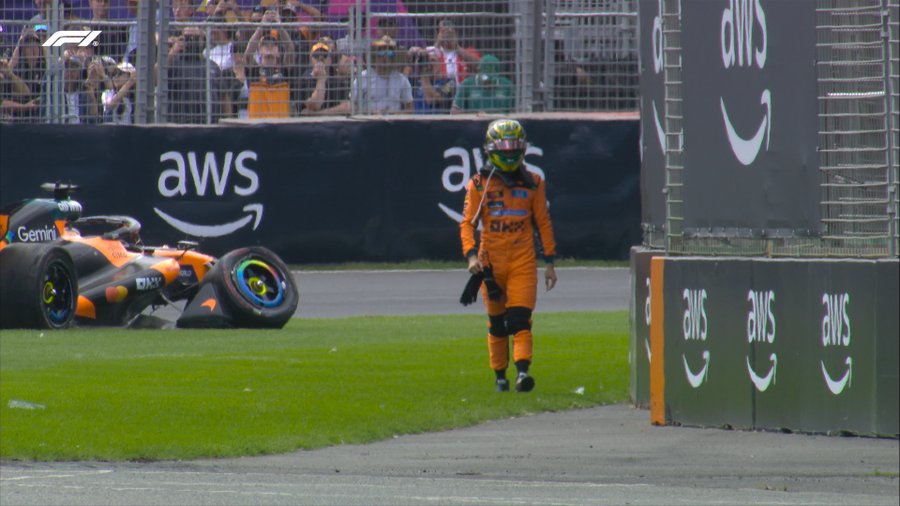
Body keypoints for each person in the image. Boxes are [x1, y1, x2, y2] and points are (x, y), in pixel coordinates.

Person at [459, 119, 557, 393]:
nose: (510, 153)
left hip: (522, 260)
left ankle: (522, 373)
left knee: (520, 320)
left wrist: (550, 262)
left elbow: (543, 222)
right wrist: (471, 257)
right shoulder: (478, 184)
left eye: (515, 147)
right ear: (491, 149)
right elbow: (467, 223)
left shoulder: (534, 182)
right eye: (505, 148)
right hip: (490, 263)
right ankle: (500, 375)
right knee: (497, 324)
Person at [346, 35, 412, 114]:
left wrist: (395, 114)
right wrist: (371, 113)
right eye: (381, 53)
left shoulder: (401, 79)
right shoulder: (363, 77)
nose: (385, 57)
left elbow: (410, 108)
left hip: (394, 120)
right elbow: (352, 105)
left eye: (389, 53)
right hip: (369, 120)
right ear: (375, 55)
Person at [299, 37, 350, 115]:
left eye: (325, 54)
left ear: (330, 60)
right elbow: (313, 106)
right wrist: (321, 80)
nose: (321, 58)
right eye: (316, 55)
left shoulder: (336, 81)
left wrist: (318, 114)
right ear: (310, 59)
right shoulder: (304, 79)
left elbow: (348, 107)